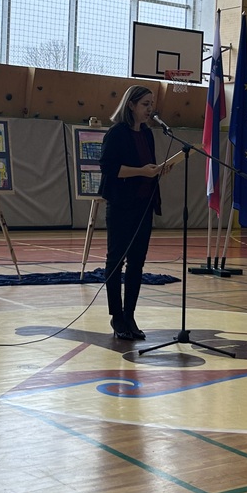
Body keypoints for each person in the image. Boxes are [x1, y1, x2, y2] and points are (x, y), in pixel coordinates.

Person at [99, 85, 173, 341]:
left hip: (144, 206)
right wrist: (142, 171)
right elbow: (109, 168)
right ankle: (117, 316)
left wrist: (159, 170)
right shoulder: (117, 133)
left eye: (152, 104)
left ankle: (130, 314)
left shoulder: (148, 134)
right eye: (145, 104)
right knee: (115, 261)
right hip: (121, 206)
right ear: (130, 105)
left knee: (137, 263)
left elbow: (147, 167)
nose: (150, 109)